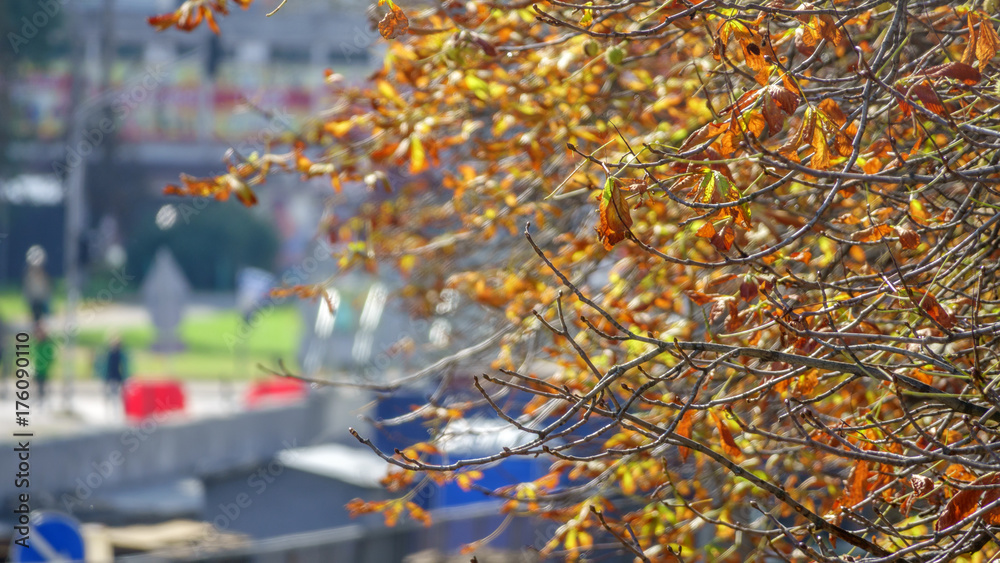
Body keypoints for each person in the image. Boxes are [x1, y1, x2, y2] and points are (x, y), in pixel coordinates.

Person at [99, 335, 129, 403]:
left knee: (116, 394)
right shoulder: (108, 353)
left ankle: (115, 403)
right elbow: (105, 366)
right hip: (110, 375)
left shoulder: (120, 353)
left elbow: (124, 365)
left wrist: (124, 377)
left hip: (117, 375)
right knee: (109, 393)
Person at [33, 322, 55, 407]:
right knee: (37, 385)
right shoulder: (35, 343)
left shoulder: (47, 344)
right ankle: (39, 399)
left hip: (44, 368)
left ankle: (43, 400)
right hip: (36, 367)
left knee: (42, 385)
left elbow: (50, 356)